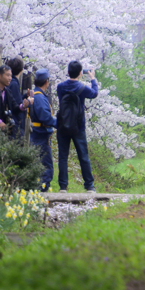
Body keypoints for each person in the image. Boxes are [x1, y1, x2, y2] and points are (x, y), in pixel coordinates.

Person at [56, 61, 98, 193]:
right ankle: (89, 186)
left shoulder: (60, 87)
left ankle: (63, 186)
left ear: (68, 72)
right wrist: (92, 78)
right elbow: (94, 93)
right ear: (80, 73)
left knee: (63, 156)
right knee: (83, 156)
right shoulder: (83, 88)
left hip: (62, 125)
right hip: (78, 126)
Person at [30, 69, 58, 191]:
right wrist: (59, 124)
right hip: (40, 135)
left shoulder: (34, 94)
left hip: (36, 134)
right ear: (47, 82)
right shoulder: (40, 98)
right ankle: (42, 190)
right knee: (46, 166)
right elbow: (45, 118)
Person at [0, 65, 23, 132]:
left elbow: (14, 107)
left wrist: (23, 106)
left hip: (4, 129)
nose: (10, 78)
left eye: (11, 76)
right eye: (7, 75)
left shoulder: (7, 91)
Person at [7, 57, 28, 138]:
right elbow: (17, 105)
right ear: (21, 70)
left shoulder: (10, 82)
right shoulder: (14, 84)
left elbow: (13, 100)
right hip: (15, 122)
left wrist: (25, 96)